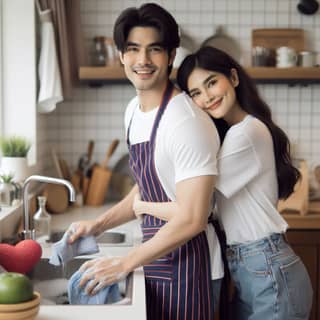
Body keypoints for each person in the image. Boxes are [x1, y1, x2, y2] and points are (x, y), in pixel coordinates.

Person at [67, 4, 223, 319]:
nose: (143, 60)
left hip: (192, 267)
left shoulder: (186, 121)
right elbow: (146, 188)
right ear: (121, 55)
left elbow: (193, 218)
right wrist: (96, 227)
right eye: (134, 49)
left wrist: (125, 263)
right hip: (154, 256)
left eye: (154, 50)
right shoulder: (133, 112)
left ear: (170, 55)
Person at [141, 45, 312, 319]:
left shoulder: (246, 133)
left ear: (233, 78)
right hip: (254, 267)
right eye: (196, 93)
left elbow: (195, 208)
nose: (207, 97)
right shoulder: (234, 133)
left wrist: (143, 206)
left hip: (266, 267)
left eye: (211, 83)